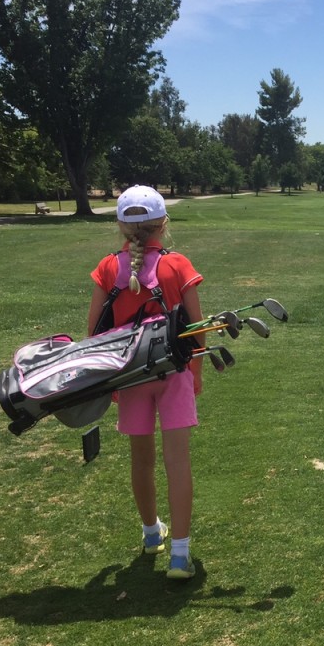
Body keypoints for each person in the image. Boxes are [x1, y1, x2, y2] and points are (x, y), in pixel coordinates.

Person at [87, 185, 205, 580]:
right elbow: (197, 332)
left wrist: (110, 383)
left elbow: (94, 334)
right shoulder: (178, 264)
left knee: (142, 459)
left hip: (130, 376)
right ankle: (179, 556)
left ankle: (152, 534)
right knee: (178, 462)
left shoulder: (107, 267)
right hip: (174, 374)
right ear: (163, 224)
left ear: (121, 226)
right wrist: (196, 377)